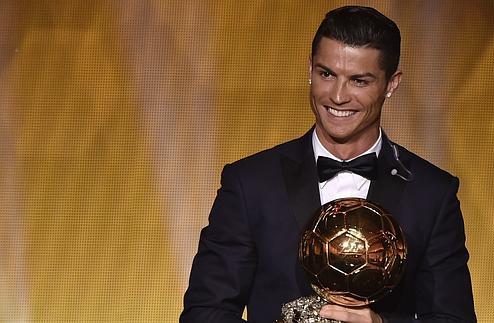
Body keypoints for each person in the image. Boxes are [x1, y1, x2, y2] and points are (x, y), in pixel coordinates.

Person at [180, 6, 476, 323]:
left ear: (391, 84)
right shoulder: (250, 183)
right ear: (310, 69)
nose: (337, 96)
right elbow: (205, 312)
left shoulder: (431, 193)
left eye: (359, 81)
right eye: (326, 74)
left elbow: (452, 318)